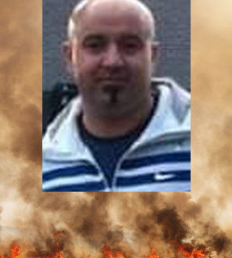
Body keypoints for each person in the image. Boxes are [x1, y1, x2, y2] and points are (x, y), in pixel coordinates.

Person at [42, 0, 190, 192]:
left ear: (152, 56)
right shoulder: (40, 163)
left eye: (129, 45)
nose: (113, 62)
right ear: (70, 56)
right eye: (95, 45)